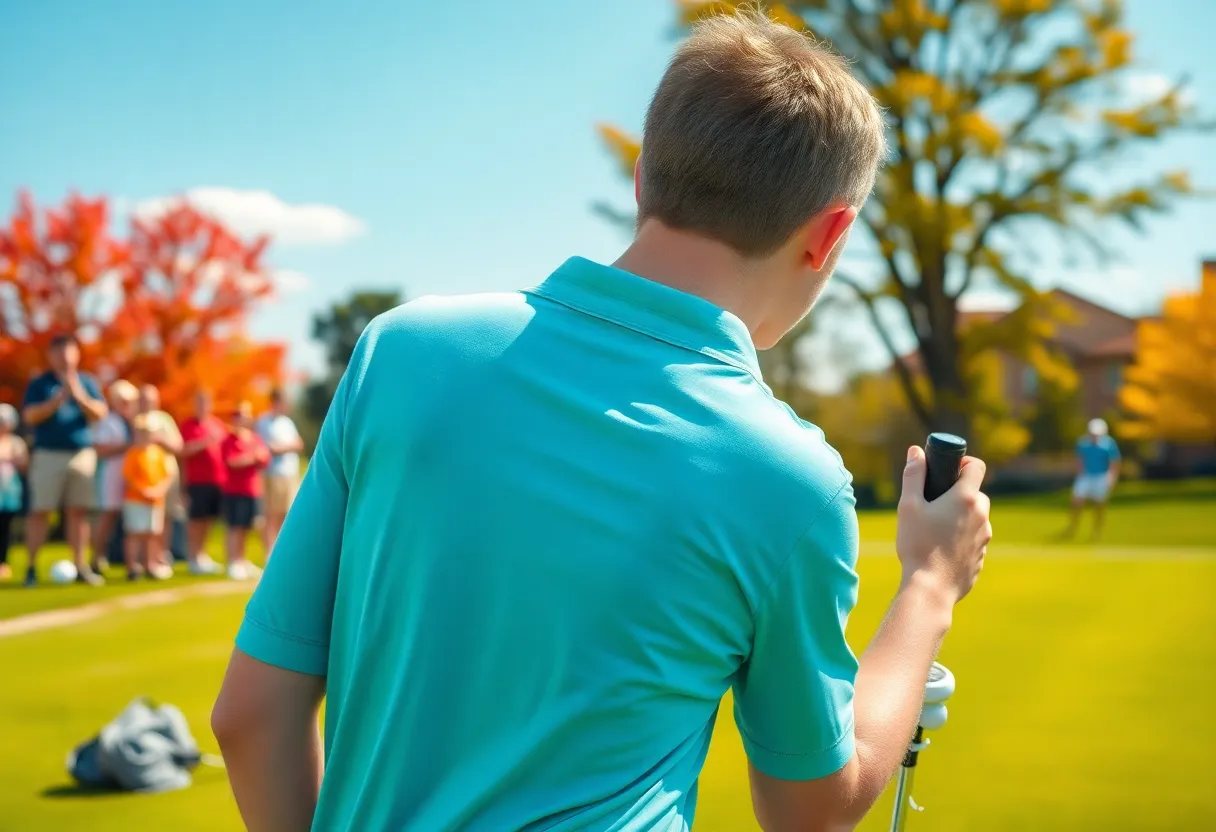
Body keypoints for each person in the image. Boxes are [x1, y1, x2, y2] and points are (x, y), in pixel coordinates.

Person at [212, 13, 991, 832]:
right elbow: (811, 812)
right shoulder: (791, 480)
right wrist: (931, 586)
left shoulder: (400, 352)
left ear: (644, 178)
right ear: (830, 234)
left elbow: (251, 716)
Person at [20, 333, 109, 587]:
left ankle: (81, 566)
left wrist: (78, 395)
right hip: (48, 454)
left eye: (69, 351)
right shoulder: (40, 384)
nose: (64, 357)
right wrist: (56, 401)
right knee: (40, 511)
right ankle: (31, 568)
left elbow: (100, 413)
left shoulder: (87, 381)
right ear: (51, 355)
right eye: (58, 352)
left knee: (78, 512)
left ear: (77, 354)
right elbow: (30, 416)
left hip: (81, 454)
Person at [91, 380, 140, 574]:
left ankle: (134, 562)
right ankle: (97, 557)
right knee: (108, 516)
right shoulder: (108, 422)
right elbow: (101, 449)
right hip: (112, 474)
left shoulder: (135, 422)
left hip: (133, 476)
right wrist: (127, 446)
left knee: (133, 519)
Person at [120, 415, 175, 581]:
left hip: (155, 501)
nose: (144, 436)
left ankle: (149, 565)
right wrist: (144, 491)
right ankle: (132, 567)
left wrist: (158, 491)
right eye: (141, 432)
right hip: (136, 500)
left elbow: (167, 475)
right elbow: (129, 478)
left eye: (147, 432)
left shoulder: (158, 453)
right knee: (135, 533)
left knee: (152, 534)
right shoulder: (133, 454)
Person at [137, 384, 187, 567]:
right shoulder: (134, 419)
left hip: (166, 476)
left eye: (149, 399)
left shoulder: (164, 419)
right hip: (142, 477)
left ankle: (161, 554)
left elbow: (178, 446)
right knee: (143, 519)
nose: (146, 403)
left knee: (165, 517)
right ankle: (144, 557)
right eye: (142, 399)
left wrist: (158, 439)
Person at [178, 391, 227, 575]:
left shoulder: (217, 424)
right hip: (196, 481)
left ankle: (202, 556)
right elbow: (183, 451)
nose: (202, 407)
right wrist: (204, 443)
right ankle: (192, 557)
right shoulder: (188, 426)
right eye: (199, 403)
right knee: (196, 520)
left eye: (205, 403)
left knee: (208, 520)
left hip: (217, 481)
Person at [220, 401, 269, 581]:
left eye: (245, 415)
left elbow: (264, 458)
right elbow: (232, 462)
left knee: (247, 526)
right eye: (239, 415)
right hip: (234, 490)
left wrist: (257, 457)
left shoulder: (254, 438)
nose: (242, 419)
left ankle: (241, 560)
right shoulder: (229, 439)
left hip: (252, 489)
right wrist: (252, 458)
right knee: (235, 526)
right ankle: (233, 561)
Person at [255, 389, 303, 558]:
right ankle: (269, 552)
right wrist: (285, 447)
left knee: (286, 513)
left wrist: (284, 447)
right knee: (271, 514)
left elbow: (298, 444)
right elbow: (269, 448)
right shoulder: (263, 421)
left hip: (289, 474)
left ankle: (282, 551)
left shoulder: (287, 422)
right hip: (272, 474)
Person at [1065, 417, 1122, 540]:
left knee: (1099, 505)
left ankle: (1097, 531)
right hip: (1085, 476)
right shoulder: (1083, 443)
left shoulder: (1108, 444)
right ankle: (1073, 527)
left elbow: (1114, 462)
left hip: (1101, 477)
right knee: (1076, 501)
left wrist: (1112, 477)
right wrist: (1079, 473)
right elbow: (1079, 460)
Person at [0, 404, 29, 581]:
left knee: (4, 529)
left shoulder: (16, 442)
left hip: (9, 493)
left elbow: (24, 465)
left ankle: (3, 563)